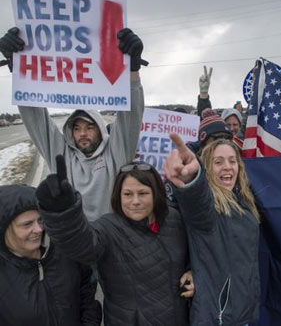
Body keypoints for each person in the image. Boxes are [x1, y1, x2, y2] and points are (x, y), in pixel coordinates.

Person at [0, 27, 145, 221]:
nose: (82, 133)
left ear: (101, 130)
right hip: (75, 240)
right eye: (77, 128)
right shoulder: (62, 155)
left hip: (112, 240)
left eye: (89, 127)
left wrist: (132, 71)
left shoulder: (116, 152)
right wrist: (19, 68)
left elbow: (131, 115)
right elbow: (37, 121)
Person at [35, 157, 192, 326]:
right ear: (118, 195)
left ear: (156, 193)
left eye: (143, 193)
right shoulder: (108, 227)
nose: (135, 201)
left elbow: (193, 253)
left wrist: (192, 272)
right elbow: (81, 244)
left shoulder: (174, 219)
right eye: (128, 194)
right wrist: (63, 212)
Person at [164, 133, 260, 326]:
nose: (227, 166)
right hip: (217, 317)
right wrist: (192, 178)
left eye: (232, 161)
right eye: (218, 162)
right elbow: (196, 199)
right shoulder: (208, 210)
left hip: (244, 313)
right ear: (207, 168)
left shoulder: (244, 202)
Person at [0, 184, 102, 326]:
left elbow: (87, 294)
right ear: (6, 230)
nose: (38, 229)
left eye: (40, 220)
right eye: (27, 224)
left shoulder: (63, 252)